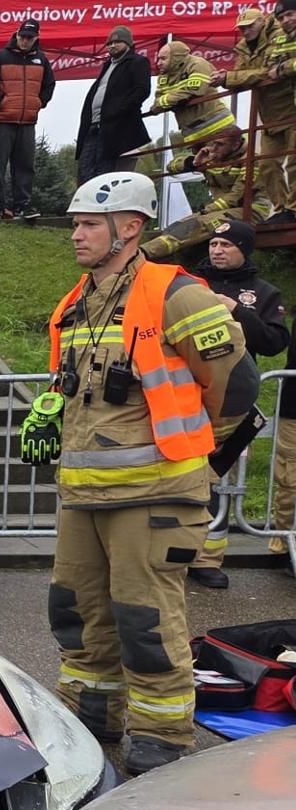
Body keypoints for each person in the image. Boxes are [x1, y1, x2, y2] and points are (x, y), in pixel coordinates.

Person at [23, 172, 257, 775]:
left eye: (88, 224)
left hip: (154, 494)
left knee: (145, 621)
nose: (75, 233)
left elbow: (236, 384)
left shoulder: (175, 293)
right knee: (75, 612)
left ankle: (162, 735)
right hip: (84, 494)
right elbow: (76, 386)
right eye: (75, 223)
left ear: (130, 228)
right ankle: (90, 712)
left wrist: (198, 456)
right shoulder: (79, 300)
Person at [182, 219, 289, 589]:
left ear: (244, 249)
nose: (217, 250)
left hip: (229, 401)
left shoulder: (262, 292)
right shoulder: (190, 285)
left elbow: (275, 343)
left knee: (217, 479)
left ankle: (207, 558)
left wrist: (238, 312)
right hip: (183, 396)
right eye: (213, 243)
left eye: (226, 244)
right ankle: (173, 552)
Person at [140, 126, 273, 260]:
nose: (214, 148)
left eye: (220, 144)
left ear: (236, 145)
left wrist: (205, 212)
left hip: (249, 211)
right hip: (220, 210)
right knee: (176, 227)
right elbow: (171, 167)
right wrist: (194, 162)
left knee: (196, 225)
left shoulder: (251, 160)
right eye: (213, 143)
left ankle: (141, 254)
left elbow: (236, 197)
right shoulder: (213, 158)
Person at [217, 4, 296, 224]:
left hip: (290, 108)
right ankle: (282, 211)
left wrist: (232, 77)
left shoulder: (279, 35)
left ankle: (293, 209)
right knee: (267, 164)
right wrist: (230, 77)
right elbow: (249, 74)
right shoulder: (244, 47)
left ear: (262, 21)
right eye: (242, 28)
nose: (245, 31)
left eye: (250, 26)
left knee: (293, 163)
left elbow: (265, 72)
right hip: (268, 114)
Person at [0, 19, 55, 222]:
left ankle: (23, 206)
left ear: (36, 38)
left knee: (25, 165)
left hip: (27, 122)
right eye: (22, 36)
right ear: (16, 35)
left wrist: (39, 102)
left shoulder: (42, 59)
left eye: (29, 38)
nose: (25, 40)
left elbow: (50, 84)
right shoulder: (1, 56)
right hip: (0, 121)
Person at [76, 26, 152, 182]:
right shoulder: (107, 65)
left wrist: (118, 111)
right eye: (109, 43)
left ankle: (100, 205)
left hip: (115, 129)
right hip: (94, 126)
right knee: (85, 170)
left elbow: (142, 90)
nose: (112, 45)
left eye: (117, 42)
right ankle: (87, 204)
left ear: (128, 43)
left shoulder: (138, 62)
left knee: (104, 173)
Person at [151, 41, 236, 155]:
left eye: (163, 59)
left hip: (216, 125)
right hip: (192, 133)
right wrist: (172, 99)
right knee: (205, 168)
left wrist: (167, 101)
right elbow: (158, 101)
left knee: (221, 166)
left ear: (176, 57)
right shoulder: (164, 76)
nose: (158, 63)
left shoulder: (198, 64)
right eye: (158, 59)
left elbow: (194, 91)